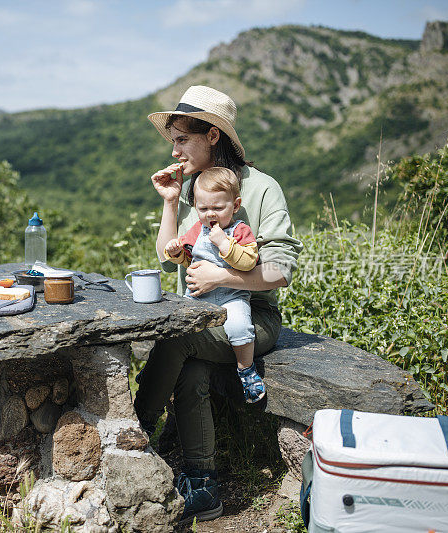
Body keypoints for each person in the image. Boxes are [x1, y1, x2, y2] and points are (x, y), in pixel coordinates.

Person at [133, 85, 302, 524]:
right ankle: (203, 485)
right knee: (190, 369)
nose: (174, 149)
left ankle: (134, 430)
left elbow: (282, 271)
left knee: (175, 343)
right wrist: (171, 203)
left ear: (212, 135)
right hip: (202, 318)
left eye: (182, 139)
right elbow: (167, 251)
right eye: (172, 140)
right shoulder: (194, 189)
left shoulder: (261, 189)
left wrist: (222, 276)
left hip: (252, 317)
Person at [162, 166, 266, 403]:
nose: (211, 214)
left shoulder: (240, 231)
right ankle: (171, 379)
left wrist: (224, 244)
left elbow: (249, 262)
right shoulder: (197, 230)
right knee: (176, 329)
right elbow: (189, 258)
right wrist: (176, 252)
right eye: (203, 208)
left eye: (218, 208)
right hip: (198, 295)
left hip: (232, 296)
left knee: (240, 327)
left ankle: (246, 370)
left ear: (235, 205)